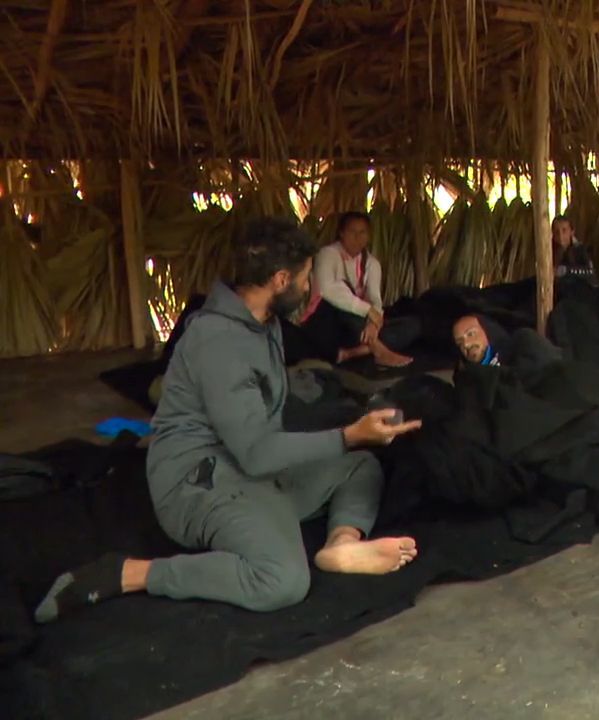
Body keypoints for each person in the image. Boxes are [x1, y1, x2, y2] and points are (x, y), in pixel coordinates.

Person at [34, 217, 423, 623]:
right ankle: (131, 573)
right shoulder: (218, 340)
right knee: (282, 580)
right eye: (306, 277)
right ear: (280, 280)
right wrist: (348, 435)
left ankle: (341, 544)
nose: (311, 287)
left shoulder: (262, 322)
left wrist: (349, 436)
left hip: (249, 463)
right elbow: (256, 454)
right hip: (200, 481)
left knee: (359, 466)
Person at [300, 211, 419, 368]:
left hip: (357, 331)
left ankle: (351, 353)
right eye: (352, 232)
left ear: (368, 236)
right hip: (327, 323)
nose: (357, 237)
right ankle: (377, 349)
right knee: (342, 293)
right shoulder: (328, 254)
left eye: (362, 232)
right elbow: (326, 290)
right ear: (341, 233)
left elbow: (375, 299)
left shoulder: (372, 263)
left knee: (412, 325)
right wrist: (367, 310)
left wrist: (374, 324)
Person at [552, 216, 596, 282]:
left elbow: (590, 272)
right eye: (557, 232)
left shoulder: (580, 249)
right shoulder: (550, 250)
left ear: (572, 232)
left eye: (564, 230)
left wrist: (567, 270)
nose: (560, 235)